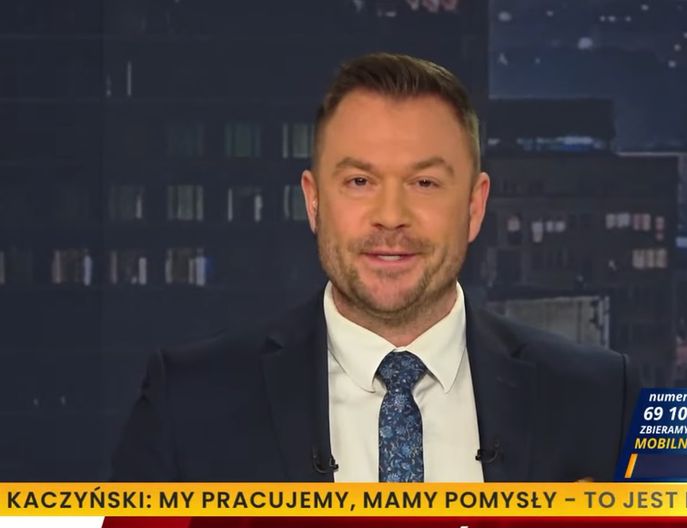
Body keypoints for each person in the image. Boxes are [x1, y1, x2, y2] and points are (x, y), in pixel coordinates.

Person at [111, 53, 637, 482]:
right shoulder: (188, 403)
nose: (390, 216)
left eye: (424, 183)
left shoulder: (600, 401)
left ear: (475, 207)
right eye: (359, 182)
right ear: (314, 202)